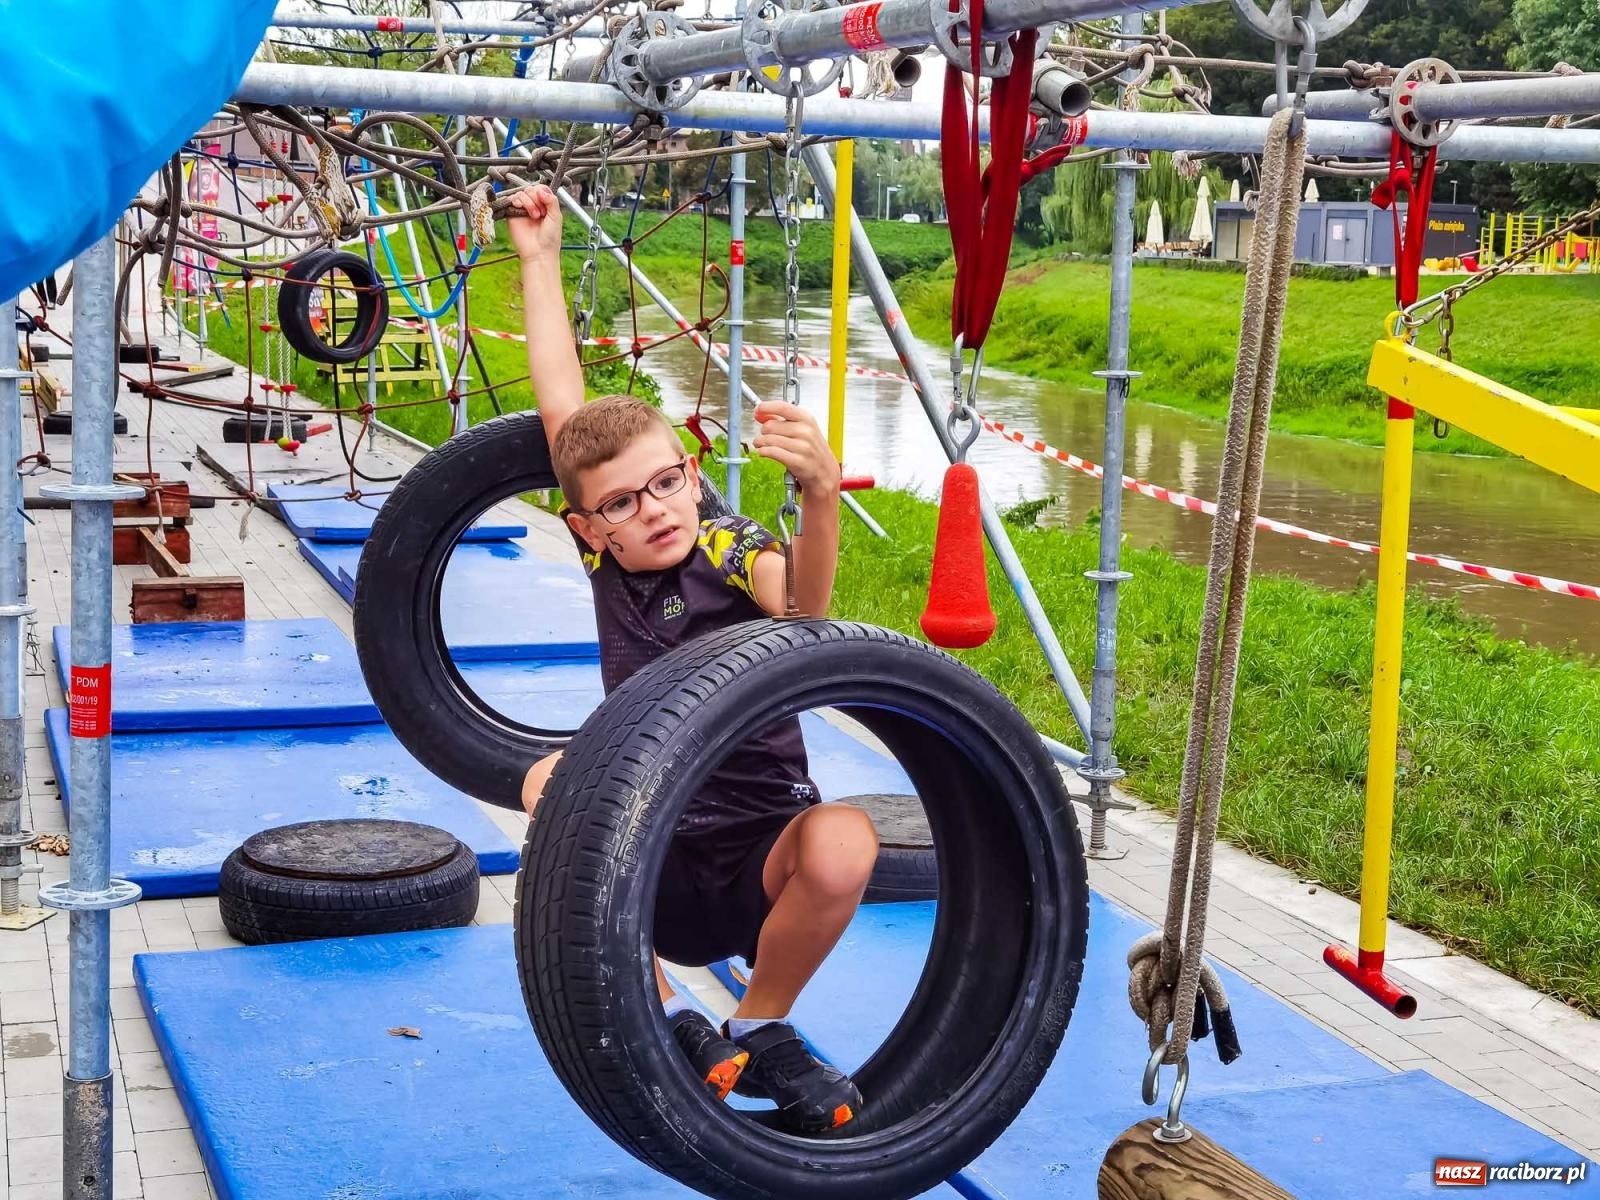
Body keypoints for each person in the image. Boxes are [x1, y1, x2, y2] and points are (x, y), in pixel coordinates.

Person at [506, 183, 879, 1135]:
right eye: (622, 504)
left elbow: (802, 611)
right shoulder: (607, 558)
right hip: (647, 856)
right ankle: (668, 1010)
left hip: (759, 855)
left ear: (692, 472)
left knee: (846, 839)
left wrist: (821, 498)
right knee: (548, 779)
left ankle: (760, 1023)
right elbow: (562, 408)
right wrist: (539, 258)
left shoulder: (726, 543)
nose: (655, 509)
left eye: (667, 481)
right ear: (588, 529)